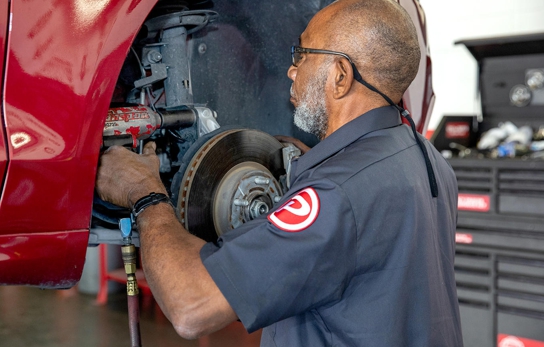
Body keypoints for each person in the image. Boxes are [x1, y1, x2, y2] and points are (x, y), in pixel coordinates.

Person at [96, 0, 464, 345]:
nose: (290, 69)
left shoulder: (334, 195)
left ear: (340, 76)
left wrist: (146, 195)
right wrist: (316, 166)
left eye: (301, 54)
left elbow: (192, 306)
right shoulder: (430, 162)